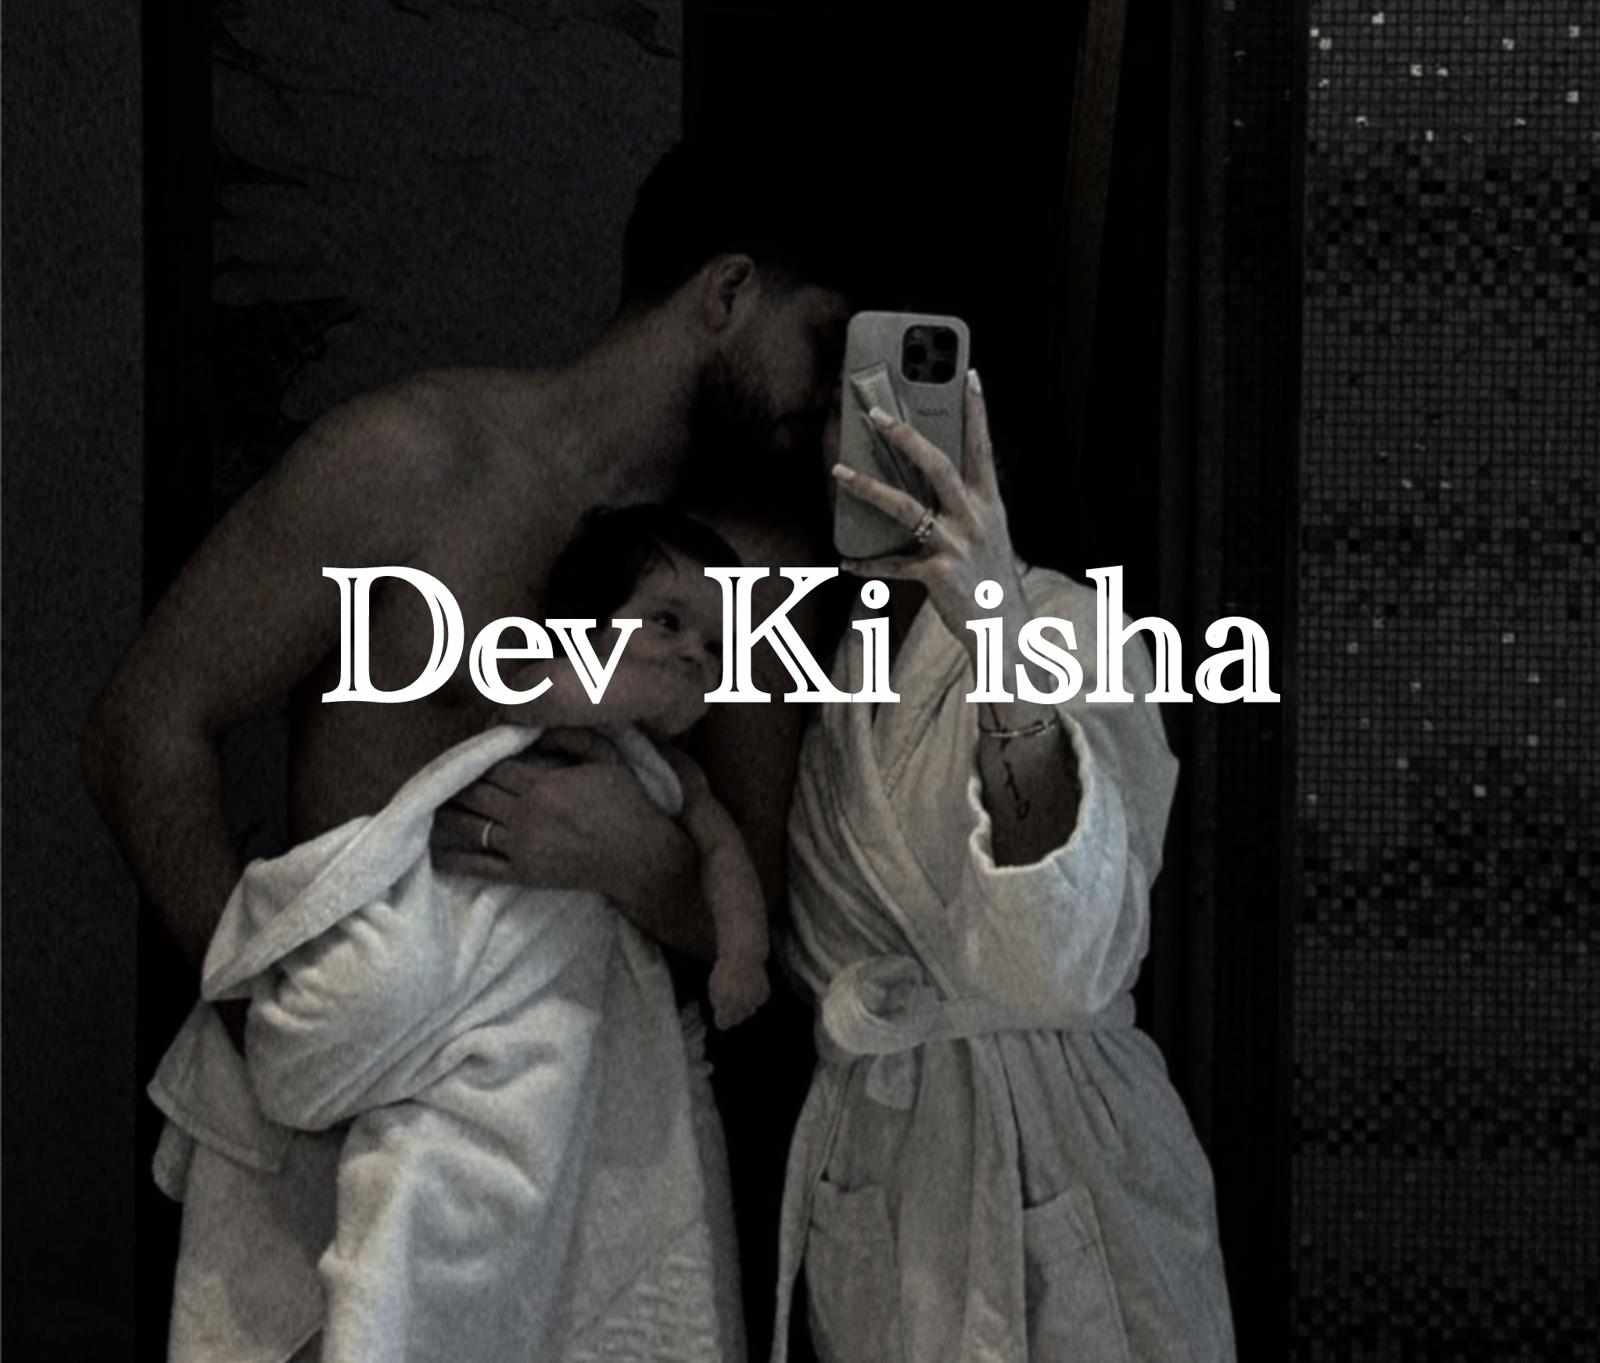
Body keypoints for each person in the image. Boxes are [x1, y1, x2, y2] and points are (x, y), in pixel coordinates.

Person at [80, 137, 855, 1358]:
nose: (832, 391)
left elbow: (757, 905)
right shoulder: (405, 466)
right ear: (725, 293)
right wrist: (277, 1017)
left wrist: (639, 863)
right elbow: (145, 726)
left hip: (582, 1183)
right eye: (820, 337)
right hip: (342, 1160)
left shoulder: (738, 580)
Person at [183, 506, 766, 1362]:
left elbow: (726, 861)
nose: (690, 656)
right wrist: (622, 687)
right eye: (667, 622)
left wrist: (743, 955)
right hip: (459, 931)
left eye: (715, 648)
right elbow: (520, 689)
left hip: (544, 1005)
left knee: (493, 1158)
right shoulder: (547, 690)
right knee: (380, 986)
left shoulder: (679, 777)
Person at [768, 375, 1237, 1361]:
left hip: (1067, 1151)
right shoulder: (839, 655)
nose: (871, 443)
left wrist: (996, 637)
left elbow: (1064, 950)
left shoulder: (1069, 624)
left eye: (907, 412)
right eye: (846, 412)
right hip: (890, 1163)